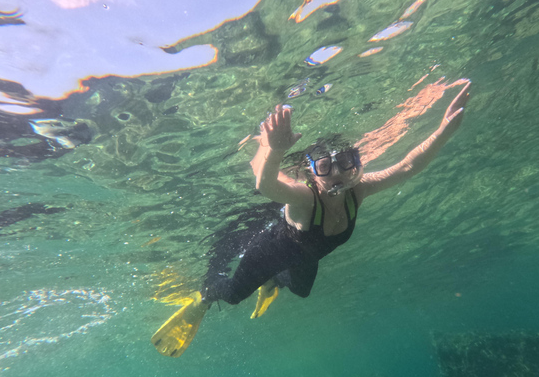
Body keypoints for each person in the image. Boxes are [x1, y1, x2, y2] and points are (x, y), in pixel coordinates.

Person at [151, 81, 471, 357]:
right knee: (234, 294)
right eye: (324, 167)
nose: (336, 174)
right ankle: (204, 296)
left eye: (346, 162)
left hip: (305, 256)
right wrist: (275, 151)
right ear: (312, 173)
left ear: (355, 164)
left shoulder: (358, 190)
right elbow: (266, 186)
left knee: (301, 291)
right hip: (273, 249)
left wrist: (443, 132)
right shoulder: (306, 199)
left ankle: (275, 280)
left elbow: (406, 167)